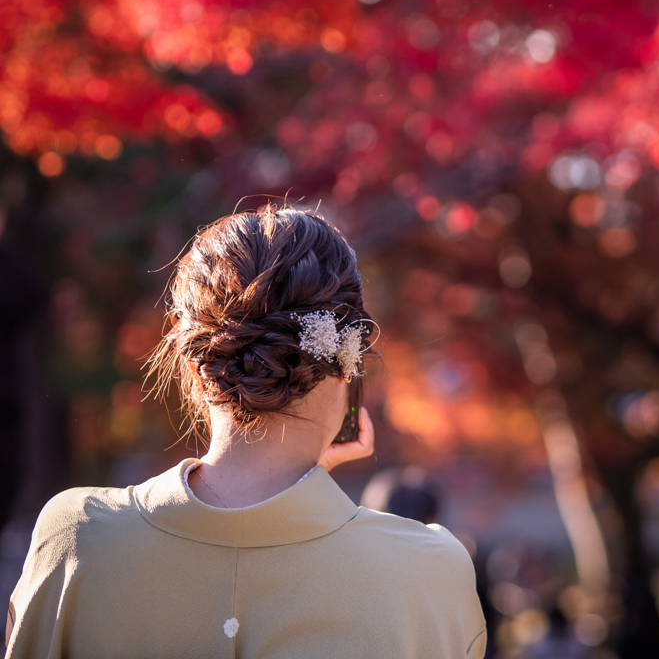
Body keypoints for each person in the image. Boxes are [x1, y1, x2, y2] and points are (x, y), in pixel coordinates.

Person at [4, 204, 487, 658]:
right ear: (347, 367)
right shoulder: (429, 570)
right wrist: (307, 475)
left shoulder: (77, 540)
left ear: (192, 369)